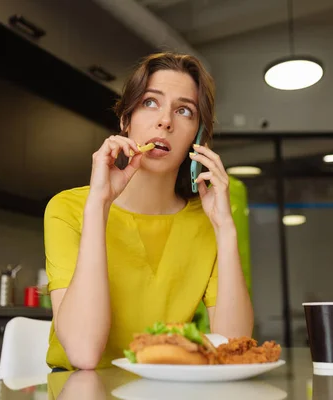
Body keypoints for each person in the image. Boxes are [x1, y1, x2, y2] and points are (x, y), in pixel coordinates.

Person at [44, 52, 254, 371]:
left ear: (198, 137)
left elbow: (234, 351)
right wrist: (99, 205)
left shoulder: (207, 223)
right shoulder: (68, 209)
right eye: (150, 102)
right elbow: (84, 354)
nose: (165, 120)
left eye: (184, 110)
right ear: (125, 119)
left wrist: (225, 227)